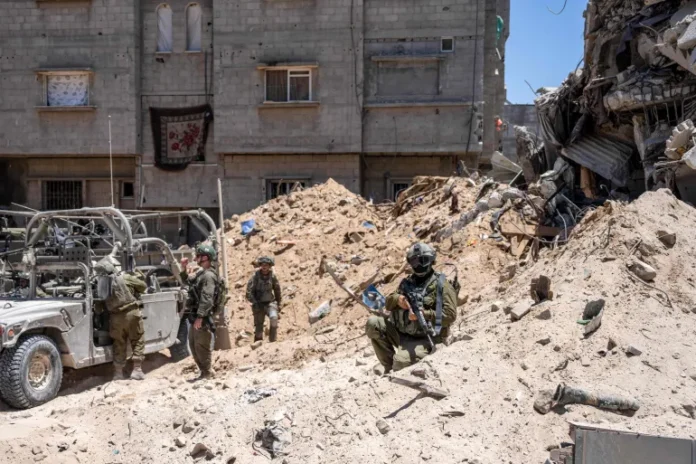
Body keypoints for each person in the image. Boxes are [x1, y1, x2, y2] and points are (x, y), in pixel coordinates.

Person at [365, 242, 457, 373]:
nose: (419, 265)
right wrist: (398, 300)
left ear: (431, 260)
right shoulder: (407, 283)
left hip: (427, 338)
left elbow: (450, 315)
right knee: (373, 323)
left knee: (400, 363)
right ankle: (388, 368)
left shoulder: (441, 284)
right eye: (414, 261)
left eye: (423, 260)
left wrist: (424, 314)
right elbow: (388, 303)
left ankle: (397, 365)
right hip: (403, 334)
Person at [93, 255, 147, 381]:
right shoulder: (125, 277)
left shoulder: (101, 285)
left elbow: (98, 308)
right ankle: (137, 370)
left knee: (119, 343)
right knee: (138, 339)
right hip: (131, 313)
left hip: (115, 318)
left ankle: (118, 373)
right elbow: (143, 286)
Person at [180, 244, 219, 379]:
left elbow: (207, 298)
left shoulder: (209, 276)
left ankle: (207, 372)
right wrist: (184, 269)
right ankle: (203, 372)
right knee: (193, 345)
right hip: (196, 315)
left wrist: (201, 316)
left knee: (201, 346)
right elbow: (188, 282)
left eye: (199, 256)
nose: (196, 258)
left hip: (203, 317)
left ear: (206, 258)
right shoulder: (202, 273)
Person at [246, 256, 282, 343]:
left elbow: (277, 290)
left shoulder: (272, 276)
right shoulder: (255, 277)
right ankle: (258, 344)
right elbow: (249, 293)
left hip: (270, 303)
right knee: (258, 328)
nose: (264, 267)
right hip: (258, 304)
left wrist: (279, 303)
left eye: (266, 265)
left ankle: (273, 341)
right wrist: (255, 302)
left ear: (269, 266)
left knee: (274, 318)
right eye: (262, 265)